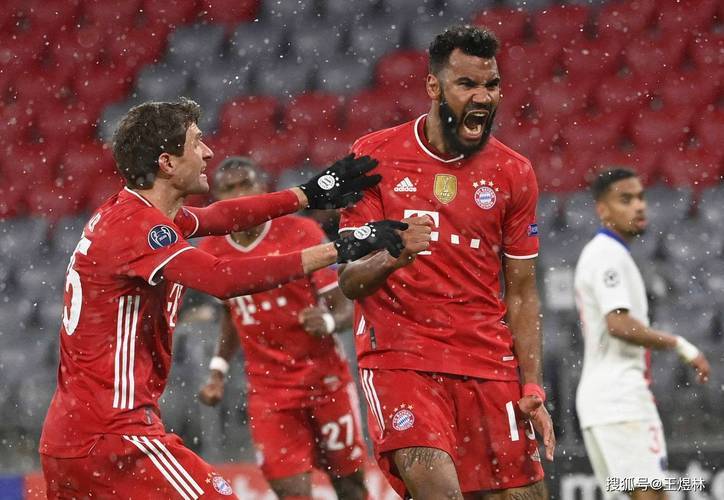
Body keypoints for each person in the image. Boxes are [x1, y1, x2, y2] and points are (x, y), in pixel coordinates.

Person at [39, 98, 412, 499]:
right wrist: (340, 247)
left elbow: (220, 218)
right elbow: (223, 279)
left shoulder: (134, 213)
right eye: (196, 142)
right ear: (167, 162)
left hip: (72, 436)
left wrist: (307, 194)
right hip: (113, 434)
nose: (207, 152)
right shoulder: (140, 227)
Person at [336, 26, 555, 499]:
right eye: (467, 84)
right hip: (402, 361)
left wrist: (533, 387)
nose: (483, 97)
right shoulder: (373, 156)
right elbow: (349, 279)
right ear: (433, 87)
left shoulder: (514, 172)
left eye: (492, 85)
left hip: (489, 363)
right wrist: (393, 255)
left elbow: (522, 290)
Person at [197, 157, 368, 500]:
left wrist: (328, 322)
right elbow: (234, 313)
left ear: (264, 188)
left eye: (246, 184)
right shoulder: (211, 249)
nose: (240, 195)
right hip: (269, 392)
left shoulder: (301, 232)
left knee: (350, 486)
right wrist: (218, 370)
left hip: (325, 382)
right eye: (229, 188)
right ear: (217, 199)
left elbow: (344, 305)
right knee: (291, 492)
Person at [574, 168, 710, 500]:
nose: (639, 206)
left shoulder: (606, 253)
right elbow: (618, 324)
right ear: (602, 209)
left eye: (640, 197)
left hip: (606, 400)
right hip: (620, 399)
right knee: (652, 496)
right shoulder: (608, 255)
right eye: (626, 199)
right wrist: (679, 344)